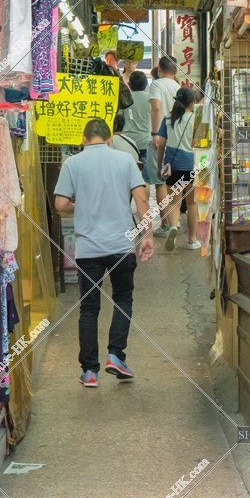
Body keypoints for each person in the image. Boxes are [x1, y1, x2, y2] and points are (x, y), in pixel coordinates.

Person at [54, 118, 155, 387]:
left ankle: (89, 371)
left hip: (88, 249)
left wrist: (82, 206)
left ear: (84, 140)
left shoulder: (72, 164)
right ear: (109, 139)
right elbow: (142, 199)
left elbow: (61, 203)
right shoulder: (125, 161)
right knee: (122, 298)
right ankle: (115, 355)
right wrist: (147, 235)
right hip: (121, 246)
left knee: (89, 308)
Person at [154, 87, 201, 252]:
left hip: (172, 165)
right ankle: (191, 240)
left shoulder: (168, 118)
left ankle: (173, 227)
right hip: (191, 165)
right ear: (192, 102)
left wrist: (160, 166)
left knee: (174, 201)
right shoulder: (196, 119)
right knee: (192, 203)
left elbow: (160, 145)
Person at [148, 55, 183, 234]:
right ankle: (174, 221)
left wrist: (155, 133)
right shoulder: (178, 87)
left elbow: (155, 108)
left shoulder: (156, 85)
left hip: (160, 139)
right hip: (176, 139)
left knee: (160, 183)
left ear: (160, 69)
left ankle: (166, 224)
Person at [121, 71, 160, 188]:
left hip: (127, 143)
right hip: (145, 142)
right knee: (145, 180)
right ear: (145, 84)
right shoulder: (150, 99)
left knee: (126, 180)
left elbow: (119, 118)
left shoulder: (125, 98)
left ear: (130, 84)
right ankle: (144, 206)